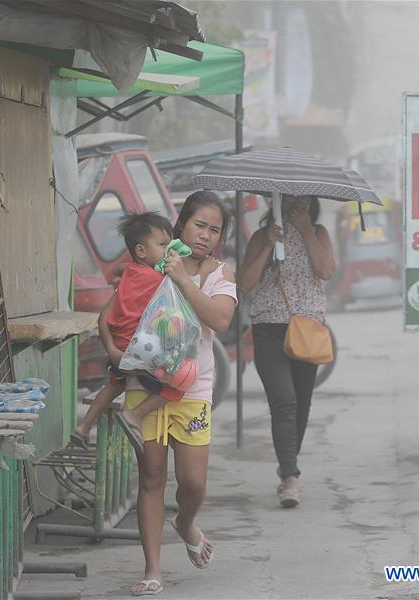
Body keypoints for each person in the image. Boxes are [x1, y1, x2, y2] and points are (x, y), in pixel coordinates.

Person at [122, 191, 236, 596]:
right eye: (198, 225)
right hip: (145, 384)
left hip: (192, 388)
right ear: (181, 224)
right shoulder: (154, 261)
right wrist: (110, 344)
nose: (205, 235)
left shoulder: (221, 273)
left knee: (193, 484)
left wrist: (184, 279)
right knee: (151, 476)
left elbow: (220, 319)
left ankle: (185, 523)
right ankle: (153, 570)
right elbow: (119, 307)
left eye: (214, 230)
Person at [72, 212, 213, 454]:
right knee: (179, 386)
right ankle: (133, 416)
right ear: (141, 251)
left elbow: (107, 311)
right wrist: (200, 274)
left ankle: (83, 427)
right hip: (143, 350)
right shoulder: (157, 278)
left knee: (114, 385)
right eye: (162, 246)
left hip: (120, 345)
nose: (169, 252)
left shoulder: (129, 274)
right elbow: (186, 289)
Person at [238, 194, 335, 508]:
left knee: (301, 404)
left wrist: (306, 229)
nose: (296, 206)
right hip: (268, 327)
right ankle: (291, 477)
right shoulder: (260, 237)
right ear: (276, 204)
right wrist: (267, 245)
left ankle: (286, 465)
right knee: (284, 402)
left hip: (307, 329)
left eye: (303, 202)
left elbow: (325, 271)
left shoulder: (319, 233)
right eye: (290, 201)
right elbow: (244, 282)